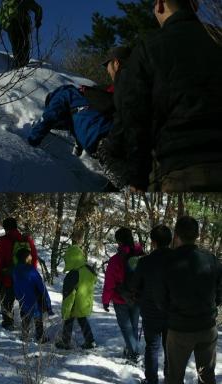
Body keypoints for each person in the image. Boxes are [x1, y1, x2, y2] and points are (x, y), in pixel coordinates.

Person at [118, 0, 222, 191]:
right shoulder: (218, 37)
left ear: (159, 4)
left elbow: (135, 120)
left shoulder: (147, 49)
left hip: (182, 170)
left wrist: (138, 178)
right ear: (195, 6)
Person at [27, 47, 131, 160]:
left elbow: (50, 115)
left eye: (108, 65)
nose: (107, 70)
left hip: (105, 141)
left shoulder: (67, 93)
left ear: (116, 63)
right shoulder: (132, 87)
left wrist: (33, 139)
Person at [155, 216, 222, 384]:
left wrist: (170, 312)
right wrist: (213, 306)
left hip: (179, 329)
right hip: (206, 326)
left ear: (176, 235)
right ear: (198, 235)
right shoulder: (211, 259)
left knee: (174, 377)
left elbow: (159, 297)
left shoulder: (167, 261)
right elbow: (220, 291)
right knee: (207, 377)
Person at [130, 225, 173, 384]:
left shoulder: (145, 261)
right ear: (170, 240)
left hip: (150, 311)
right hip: (172, 312)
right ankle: (170, 379)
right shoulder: (178, 259)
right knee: (170, 349)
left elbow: (135, 284)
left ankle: (151, 380)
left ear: (153, 242)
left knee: (152, 347)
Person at [102, 227, 144, 364]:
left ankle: (134, 353)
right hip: (137, 297)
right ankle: (132, 350)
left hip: (121, 298)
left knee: (126, 328)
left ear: (119, 241)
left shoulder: (115, 260)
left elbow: (109, 282)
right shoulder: (141, 255)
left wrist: (106, 300)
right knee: (133, 325)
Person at [0, 218, 39, 331]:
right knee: (24, 302)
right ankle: (26, 327)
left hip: (8, 279)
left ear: (5, 228)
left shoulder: (3, 241)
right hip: (24, 279)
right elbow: (34, 259)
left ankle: (9, 324)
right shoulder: (27, 240)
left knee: (7, 303)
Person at [56, 245, 97, 350]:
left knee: (68, 320)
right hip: (86, 302)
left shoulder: (73, 274)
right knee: (83, 320)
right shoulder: (88, 269)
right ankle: (90, 341)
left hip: (75, 304)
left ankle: (65, 342)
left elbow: (68, 295)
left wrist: (65, 311)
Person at [12, 248, 52, 343]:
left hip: (22, 299)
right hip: (34, 299)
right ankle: (40, 337)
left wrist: (18, 297)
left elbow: (15, 285)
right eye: (29, 255)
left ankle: (24, 336)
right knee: (38, 318)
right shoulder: (31, 270)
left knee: (25, 317)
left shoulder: (15, 270)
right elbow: (41, 286)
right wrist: (47, 302)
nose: (31, 257)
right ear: (26, 258)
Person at [0, 0, 42, 68]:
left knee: (20, 44)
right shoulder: (5, 2)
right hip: (14, 25)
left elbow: (38, 8)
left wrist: (38, 19)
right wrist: (38, 20)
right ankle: (20, 64)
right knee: (19, 44)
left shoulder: (6, 2)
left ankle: (21, 63)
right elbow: (38, 8)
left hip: (20, 24)